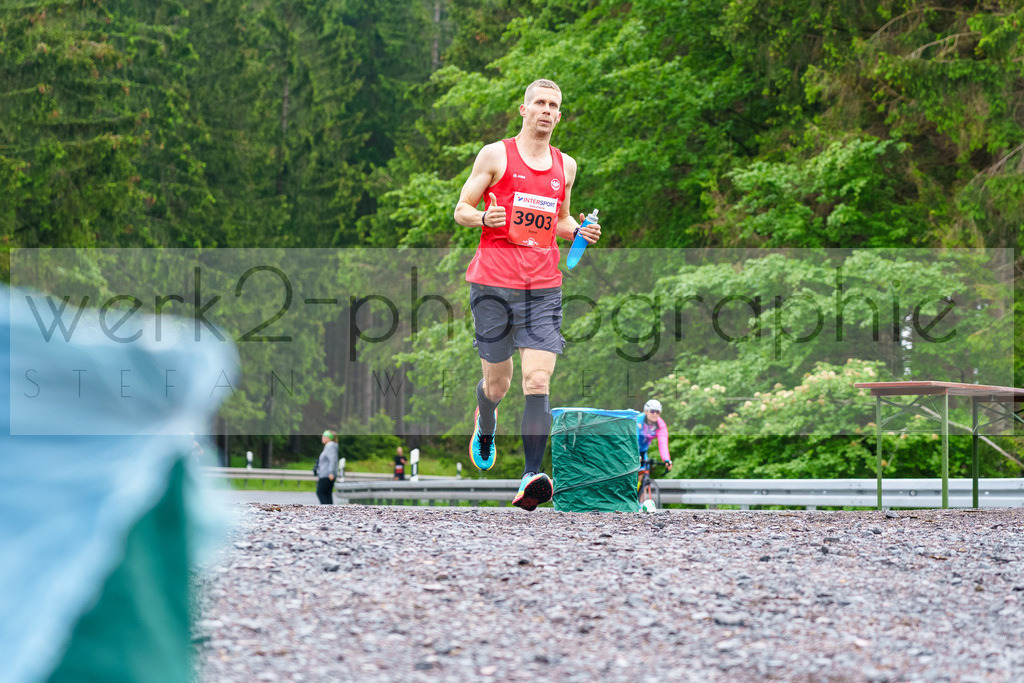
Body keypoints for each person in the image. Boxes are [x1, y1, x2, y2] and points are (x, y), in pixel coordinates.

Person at [454, 78, 602, 511]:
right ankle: (485, 413)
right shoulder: (495, 154)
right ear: (523, 110)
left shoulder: (566, 166)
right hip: (492, 284)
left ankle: (530, 477)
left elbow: (560, 220)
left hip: (543, 286)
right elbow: (460, 208)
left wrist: (579, 231)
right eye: (538, 102)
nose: (545, 110)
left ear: (559, 115)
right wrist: (484, 216)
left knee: (537, 380)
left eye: (553, 105)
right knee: (498, 385)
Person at [636, 399, 672, 503]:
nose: (654, 414)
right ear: (646, 411)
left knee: (644, 476)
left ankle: (641, 504)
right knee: (633, 474)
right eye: (652, 411)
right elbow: (635, 438)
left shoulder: (660, 424)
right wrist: (635, 455)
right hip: (633, 448)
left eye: (657, 412)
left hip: (643, 451)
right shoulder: (639, 420)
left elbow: (663, 443)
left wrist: (667, 460)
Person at [314, 430, 339, 505]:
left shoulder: (330, 446)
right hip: (327, 474)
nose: (322, 438)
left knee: (320, 492)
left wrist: (331, 472)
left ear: (329, 438)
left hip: (327, 474)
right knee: (327, 493)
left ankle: (325, 509)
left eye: (324, 436)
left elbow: (332, 460)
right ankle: (330, 510)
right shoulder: (330, 446)